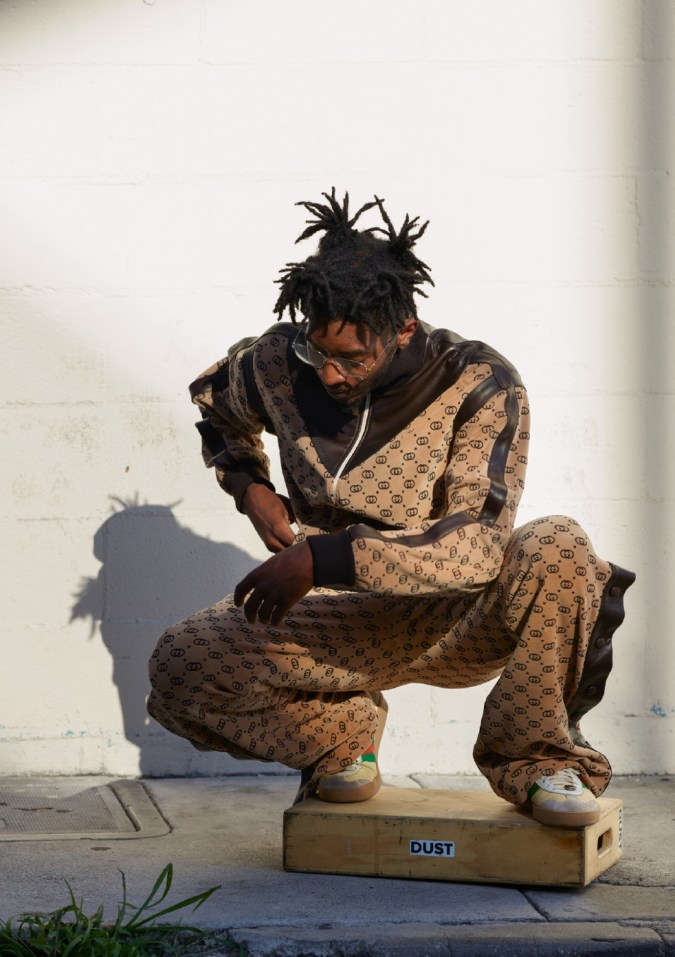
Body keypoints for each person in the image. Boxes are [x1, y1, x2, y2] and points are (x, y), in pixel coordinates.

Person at [147, 188, 634, 828]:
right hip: (338, 621)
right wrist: (249, 487)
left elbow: (478, 544)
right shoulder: (275, 362)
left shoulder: (478, 381)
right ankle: (343, 738)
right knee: (180, 667)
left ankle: (537, 760)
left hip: (458, 616)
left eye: (352, 357)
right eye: (317, 352)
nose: (330, 373)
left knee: (560, 545)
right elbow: (216, 407)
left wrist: (324, 555)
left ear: (403, 328)